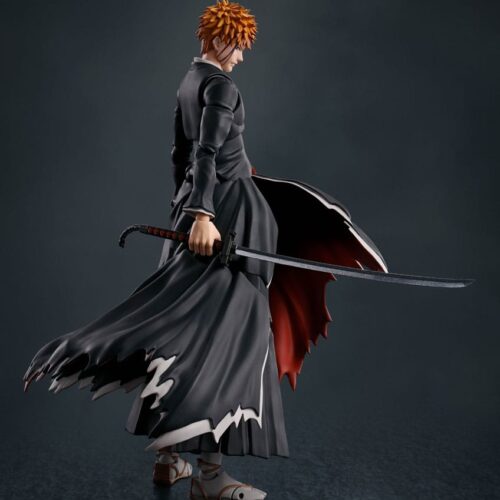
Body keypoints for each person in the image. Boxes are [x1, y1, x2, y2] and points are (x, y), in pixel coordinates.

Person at [23, 1, 387, 499]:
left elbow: (184, 156)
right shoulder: (220, 86)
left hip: (212, 216)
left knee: (187, 332)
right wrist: (201, 214)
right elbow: (204, 151)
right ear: (218, 39)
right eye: (237, 46)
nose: (240, 56)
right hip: (226, 222)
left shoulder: (189, 81)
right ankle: (210, 478)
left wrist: (189, 204)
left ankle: (169, 461)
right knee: (227, 342)